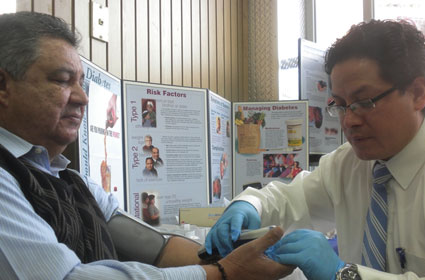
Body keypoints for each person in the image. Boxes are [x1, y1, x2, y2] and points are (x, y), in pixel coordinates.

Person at [0, 11, 294, 280]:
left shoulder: (72, 181)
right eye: (63, 80)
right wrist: (220, 273)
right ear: (3, 86)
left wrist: (237, 256)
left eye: (81, 83)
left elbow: (154, 247)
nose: (82, 98)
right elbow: (69, 278)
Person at [205, 19, 425, 280]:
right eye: (340, 104)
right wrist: (249, 206)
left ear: (418, 93)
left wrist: (342, 274)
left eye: (364, 102)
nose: (349, 120)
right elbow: (288, 200)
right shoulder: (349, 164)